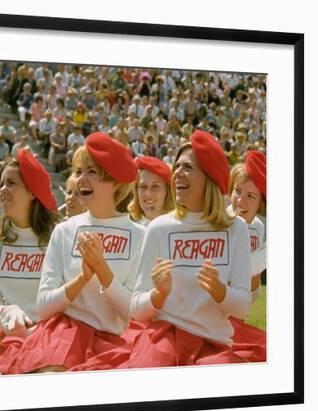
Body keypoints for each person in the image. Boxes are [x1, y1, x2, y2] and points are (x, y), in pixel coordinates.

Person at [0, 132, 145, 374]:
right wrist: (82, 279)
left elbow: (134, 313)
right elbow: (43, 307)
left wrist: (102, 271)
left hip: (113, 343)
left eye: (92, 172)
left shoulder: (140, 236)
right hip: (64, 334)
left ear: (115, 182)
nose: (81, 180)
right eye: (78, 171)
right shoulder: (64, 231)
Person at [111, 130, 260, 369]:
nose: (178, 173)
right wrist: (158, 294)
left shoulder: (236, 229)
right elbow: (136, 309)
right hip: (163, 340)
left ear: (209, 177)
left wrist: (219, 290)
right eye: (177, 166)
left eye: (188, 167)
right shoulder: (159, 228)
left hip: (213, 344)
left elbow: (242, 306)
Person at [0, 149, 60, 375]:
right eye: (1, 183)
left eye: (11, 183)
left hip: (50, 331)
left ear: (32, 192)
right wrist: (7, 311)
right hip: (8, 329)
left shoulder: (56, 236)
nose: (2, 190)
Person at [227, 150, 267, 362]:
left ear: (260, 204)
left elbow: (252, 287)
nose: (240, 201)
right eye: (237, 191)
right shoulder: (218, 222)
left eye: (250, 196)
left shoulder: (258, 228)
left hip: (238, 316)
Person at [128, 156, 174, 226]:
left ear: (167, 192)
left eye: (155, 186)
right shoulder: (129, 229)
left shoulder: (178, 229)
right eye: (143, 186)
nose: (148, 194)